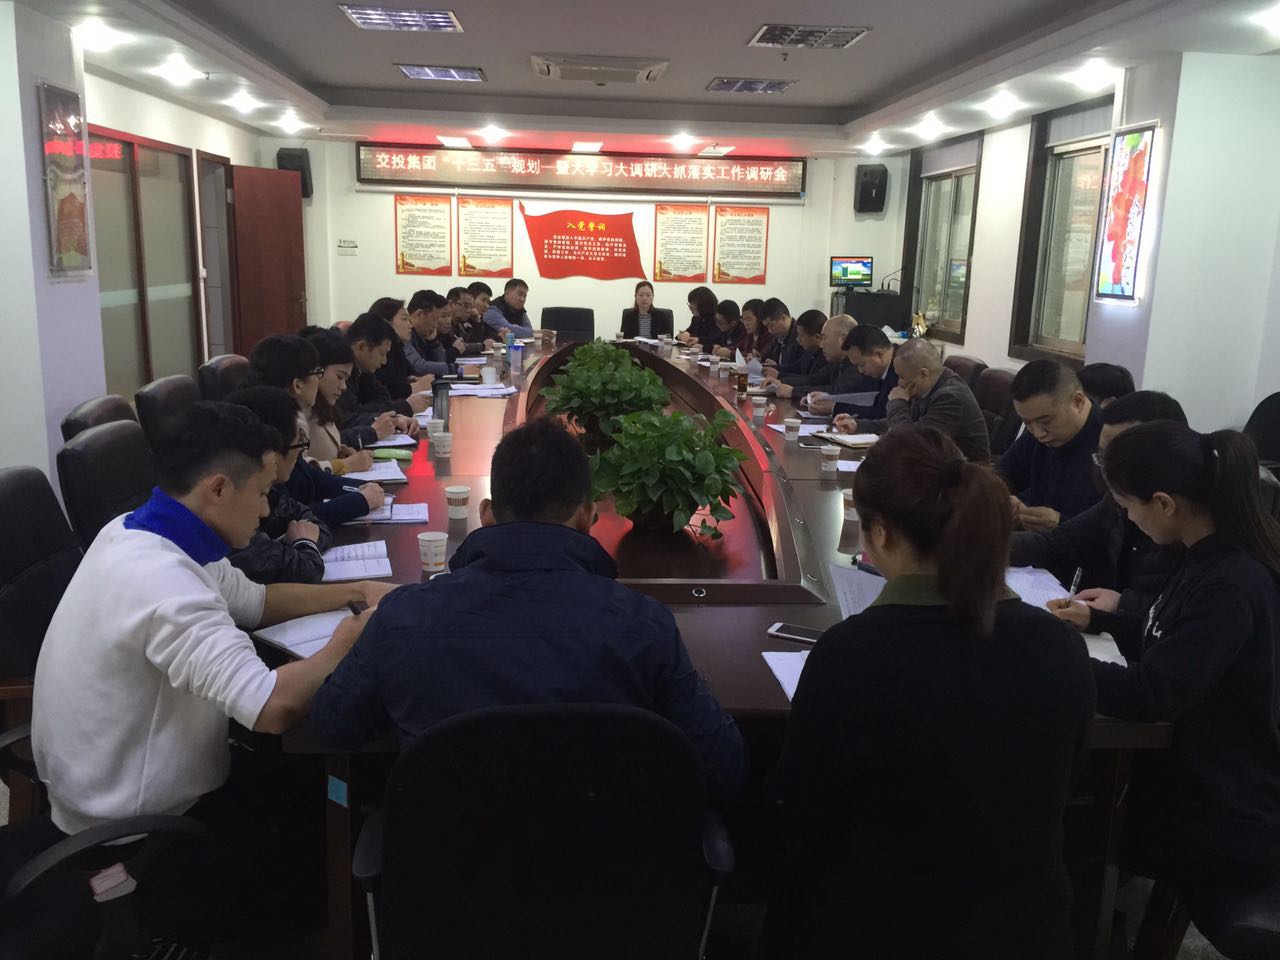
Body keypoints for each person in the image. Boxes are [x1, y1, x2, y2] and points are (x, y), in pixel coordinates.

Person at [10, 401, 391, 958]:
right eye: (262, 492)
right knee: (327, 798)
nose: (267, 510)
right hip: (139, 829)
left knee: (308, 775)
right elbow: (272, 707)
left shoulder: (143, 530)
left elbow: (256, 601)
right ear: (217, 488)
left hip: (113, 780)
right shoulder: (162, 584)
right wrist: (352, 636)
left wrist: (357, 592)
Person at [767, 426, 1095, 959]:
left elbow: (801, 807)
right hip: (1019, 929)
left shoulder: (853, 652)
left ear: (881, 535)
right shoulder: (1059, 646)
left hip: (877, 929)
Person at [310, 418, 747, 803]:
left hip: (449, 866)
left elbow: (332, 726)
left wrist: (344, 643)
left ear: (486, 514)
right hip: (607, 868)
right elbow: (724, 768)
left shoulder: (404, 617)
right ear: (587, 517)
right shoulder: (644, 625)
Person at [1090, 421, 1280, 933]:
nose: (1127, 519)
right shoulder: (1201, 555)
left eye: (1128, 507)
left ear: (1164, 503)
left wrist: (1053, 659)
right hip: (1194, 774)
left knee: (1072, 817)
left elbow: (1152, 693)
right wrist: (1098, 620)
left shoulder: (1230, 584)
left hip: (1222, 807)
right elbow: (1166, 634)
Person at [1010, 391, 1188, 635]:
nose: (1106, 469)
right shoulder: (1117, 500)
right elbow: (1059, 542)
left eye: (1118, 457)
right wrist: (984, 545)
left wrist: (1122, 603)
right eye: (1102, 454)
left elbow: (1181, 615)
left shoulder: (1191, 526)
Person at [246, 334, 385, 528]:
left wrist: (358, 488)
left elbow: (310, 476)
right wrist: (359, 501)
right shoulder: (268, 424)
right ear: (297, 385)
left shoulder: (289, 415)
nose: (319, 380)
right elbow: (289, 519)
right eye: (317, 373)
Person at [224, 386, 333, 584]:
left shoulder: (262, 490)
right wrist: (302, 543)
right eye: (298, 444)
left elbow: (313, 522)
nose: (265, 510)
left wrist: (293, 545)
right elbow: (307, 570)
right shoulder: (229, 517)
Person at [834, 338, 991, 463]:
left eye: (902, 377)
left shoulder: (949, 397)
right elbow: (904, 424)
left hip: (965, 478)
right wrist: (859, 425)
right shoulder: (926, 387)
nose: (899, 383)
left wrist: (897, 403)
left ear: (923, 374)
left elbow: (914, 442)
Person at [998, 359, 1103, 531]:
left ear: (1077, 402)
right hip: (1034, 538)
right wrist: (1002, 498)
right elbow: (1004, 473)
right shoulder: (1038, 429)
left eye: (1046, 421)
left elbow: (1115, 529)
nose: (1039, 433)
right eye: (1027, 423)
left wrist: (1062, 523)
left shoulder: (1109, 441)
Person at [298, 325, 390, 470]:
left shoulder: (324, 406)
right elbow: (298, 472)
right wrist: (344, 465)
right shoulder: (299, 409)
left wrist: (338, 452)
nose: (343, 386)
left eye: (346, 379)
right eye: (339, 377)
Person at [339, 313, 420, 431]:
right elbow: (352, 414)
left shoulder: (363, 368)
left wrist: (369, 409)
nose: (384, 361)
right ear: (362, 347)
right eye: (382, 354)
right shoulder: (339, 369)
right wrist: (403, 407)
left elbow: (383, 397)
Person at [773, 315, 869, 400]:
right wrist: (780, 381)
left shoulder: (857, 363)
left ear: (843, 339)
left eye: (824, 338)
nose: (821, 345)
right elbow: (814, 379)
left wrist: (794, 391)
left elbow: (837, 391)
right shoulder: (837, 361)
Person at [815, 324, 898, 419]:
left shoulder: (902, 369)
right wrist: (828, 398)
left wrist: (835, 408)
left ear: (879, 354)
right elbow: (862, 397)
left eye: (862, 365)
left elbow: (883, 413)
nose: (860, 371)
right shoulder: (877, 369)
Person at [369, 295, 433, 403]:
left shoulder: (398, 346)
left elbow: (411, 374)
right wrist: (420, 385)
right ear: (385, 322)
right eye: (404, 319)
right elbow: (390, 389)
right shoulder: (377, 352)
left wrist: (413, 380)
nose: (410, 325)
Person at [763, 309, 826, 388]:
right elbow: (794, 367)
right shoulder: (810, 351)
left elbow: (812, 380)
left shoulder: (828, 356)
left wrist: (779, 376)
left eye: (802, 336)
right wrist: (768, 368)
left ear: (817, 337)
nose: (797, 339)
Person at [403, 289, 453, 378]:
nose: (436, 325)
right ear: (419, 314)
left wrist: (433, 343)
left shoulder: (422, 334)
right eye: (434, 320)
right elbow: (418, 366)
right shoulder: (403, 333)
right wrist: (455, 369)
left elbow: (440, 363)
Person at [760, 298, 805, 375]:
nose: (769, 330)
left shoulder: (801, 337)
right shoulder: (778, 337)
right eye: (767, 327)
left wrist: (777, 367)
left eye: (771, 325)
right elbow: (767, 355)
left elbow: (799, 370)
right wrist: (759, 358)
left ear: (783, 318)